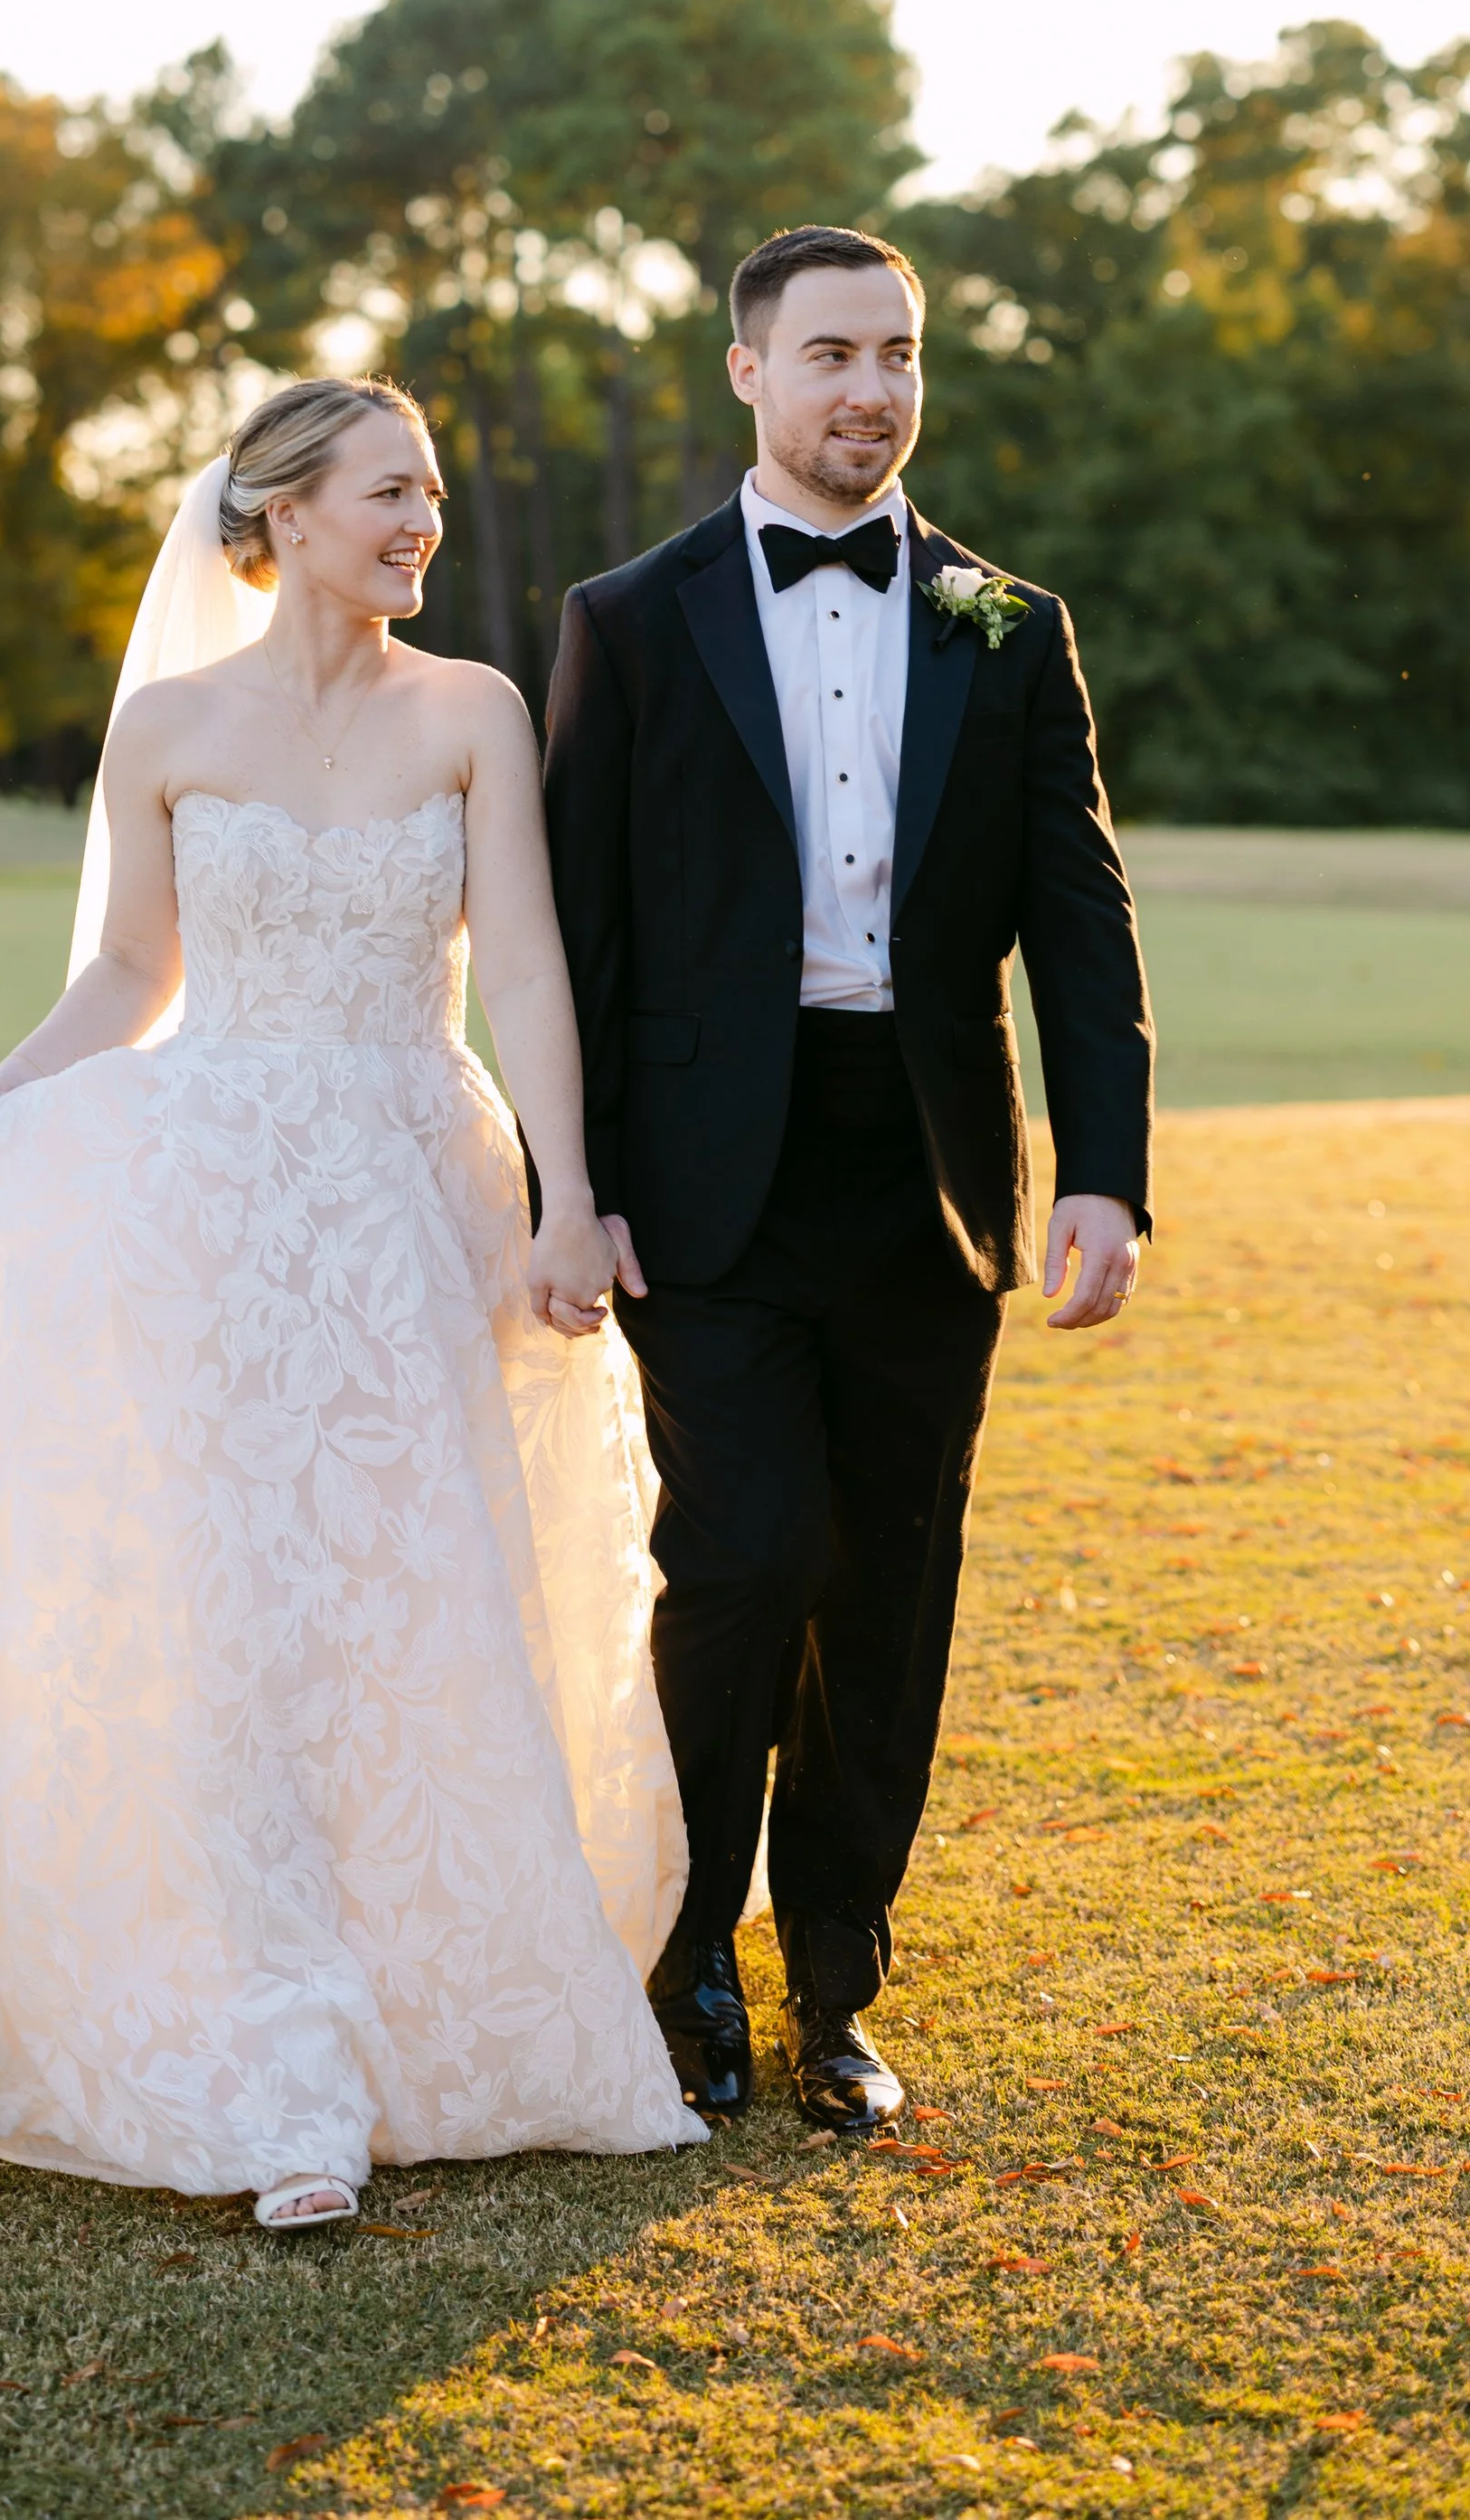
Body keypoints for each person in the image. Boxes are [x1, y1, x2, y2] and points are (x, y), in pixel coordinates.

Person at [0, 377, 705, 2229]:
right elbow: (132, 968)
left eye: (428, 492)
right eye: (386, 493)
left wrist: (565, 1195)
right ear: (280, 513)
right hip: (217, 1202)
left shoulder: (474, 713)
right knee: (244, 1614)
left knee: (410, 1597)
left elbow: (517, 965)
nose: (420, 522)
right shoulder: (169, 727)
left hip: (411, 1196)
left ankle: (444, 1993)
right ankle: (276, 2051)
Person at [543, 227, 1154, 2136]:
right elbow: (578, 927)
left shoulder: (1009, 622)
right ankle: (684, 1966)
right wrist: (582, 1179)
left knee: (884, 1587)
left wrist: (1104, 1173)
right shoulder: (626, 620)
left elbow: (1078, 910)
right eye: (827, 354)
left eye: (893, 356)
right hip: (702, 1181)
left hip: (928, 1182)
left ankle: (833, 1987)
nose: (866, 392)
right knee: (740, 1562)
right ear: (746, 374)